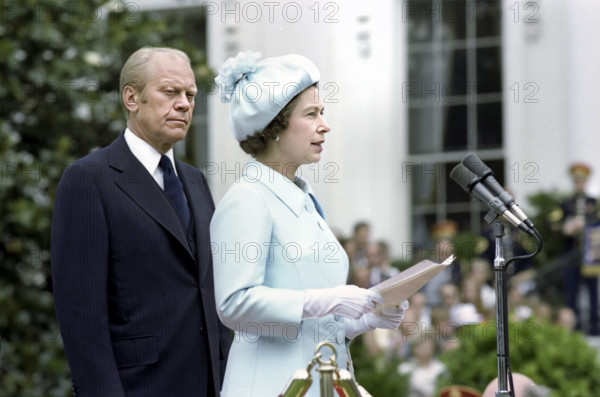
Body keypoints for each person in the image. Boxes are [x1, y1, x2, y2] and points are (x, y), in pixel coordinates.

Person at [210, 51, 408, 396]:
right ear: (275, 125)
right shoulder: (248, 198)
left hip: (323, 383)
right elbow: (234, 305)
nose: (324, 124)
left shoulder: (304, 199)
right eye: (311, 114)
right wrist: (328, 300)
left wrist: (363, 320)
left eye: (323, 113)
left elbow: (312, 317)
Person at [51, 47, 231, 396]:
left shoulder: (195, 180)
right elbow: (82, 318)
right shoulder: (89, 179)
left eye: (190, 95)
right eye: (170, 92)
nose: (184, 104)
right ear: (132, 98)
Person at [557, 162, 600, 334]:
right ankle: (573, 326)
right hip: (571, 255)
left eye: (582, 181)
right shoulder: (566, 204)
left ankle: (594, 325)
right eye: (577, 181)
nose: (580, 184)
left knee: (592, 292)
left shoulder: (595, 203)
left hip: (591, 255)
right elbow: (554, 224)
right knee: (571, 292)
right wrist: (566, 227)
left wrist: (587, 226)